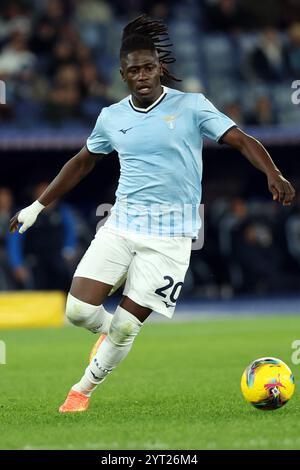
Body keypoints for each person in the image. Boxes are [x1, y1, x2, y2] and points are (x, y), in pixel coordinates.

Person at [9, 15, 295, 413]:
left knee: (128, 325)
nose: (142, 75)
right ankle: (110, 336)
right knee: (76, 312)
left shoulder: (192, 106)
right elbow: (82, 161)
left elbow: (242, 140)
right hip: (122, 225)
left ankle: (81, 391)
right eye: (133, 70)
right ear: (123, 75)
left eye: (148, 67)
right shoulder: (111, 117)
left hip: (173, 238)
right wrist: (38, 207)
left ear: (160, 67)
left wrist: (273, 172)